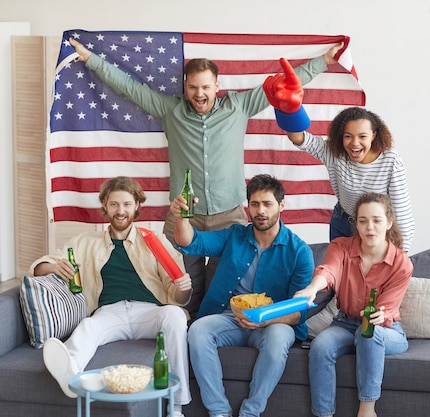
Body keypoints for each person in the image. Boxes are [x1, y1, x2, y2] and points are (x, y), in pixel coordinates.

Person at [68, 37, 343, 317]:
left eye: (206, 87)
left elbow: (286, 85)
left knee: (222, 288)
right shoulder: (170, 109)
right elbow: (129, 87)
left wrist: (325, 61)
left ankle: (212, 338)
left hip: (230, 216)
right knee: (184, 288)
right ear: (185, 89)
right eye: (193, 87)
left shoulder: (240, 106)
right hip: (185, 216)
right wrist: (90, 58)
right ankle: (183, 341)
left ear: (217, 86)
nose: (200, 94)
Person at [33, 176, 192, 417]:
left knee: (174, 316)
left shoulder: (154, 240)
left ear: (137, 206)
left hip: (149, 312)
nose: (121, 211)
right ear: (105, 206)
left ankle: (177, 406)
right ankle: (69, 372)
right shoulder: (85, 242)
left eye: (127, 204)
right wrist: (54, 268)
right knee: (88, 326)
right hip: (109, 313)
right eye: (114, 204)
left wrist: (184, 287)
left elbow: (178, 294)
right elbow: (38, 267)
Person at [171, 174, 314, 417]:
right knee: (198, 330)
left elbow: (299, 310)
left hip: (272, 323)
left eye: (267, 204)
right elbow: (191, 242)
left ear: (281, 205)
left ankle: (251, 412)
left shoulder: (299, 251)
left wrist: (267, 319)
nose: (260, 211)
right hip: (230, 318)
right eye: (255, 204)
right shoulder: (234, 235)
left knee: (280, 338)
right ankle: (219, 411)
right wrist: (182, 217)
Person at [263, 61, 415, 252]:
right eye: (348, 136)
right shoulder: (334, 153)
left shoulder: (390, 160)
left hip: (375, 226)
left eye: (362, 136)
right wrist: (288, 110)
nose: (355, 143)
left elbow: (402, 211)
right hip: (343, 224)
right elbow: (300, 138)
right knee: (340, 277)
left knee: (371, 279)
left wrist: (403, 255)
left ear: (374, 136)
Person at [295, 192, 413, 417]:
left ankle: (367, 411)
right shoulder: (340, 247)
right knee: (320, 345)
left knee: (369, 333)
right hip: (346, 325)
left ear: (389, 222)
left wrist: (381, 314)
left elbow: (385, 310)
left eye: (377, 220)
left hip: (385, 330)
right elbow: (328, 270)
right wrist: (312, 289)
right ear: (355, 223)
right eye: (363, 220)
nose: (370, 227)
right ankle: (323, 414)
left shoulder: (401, 264)